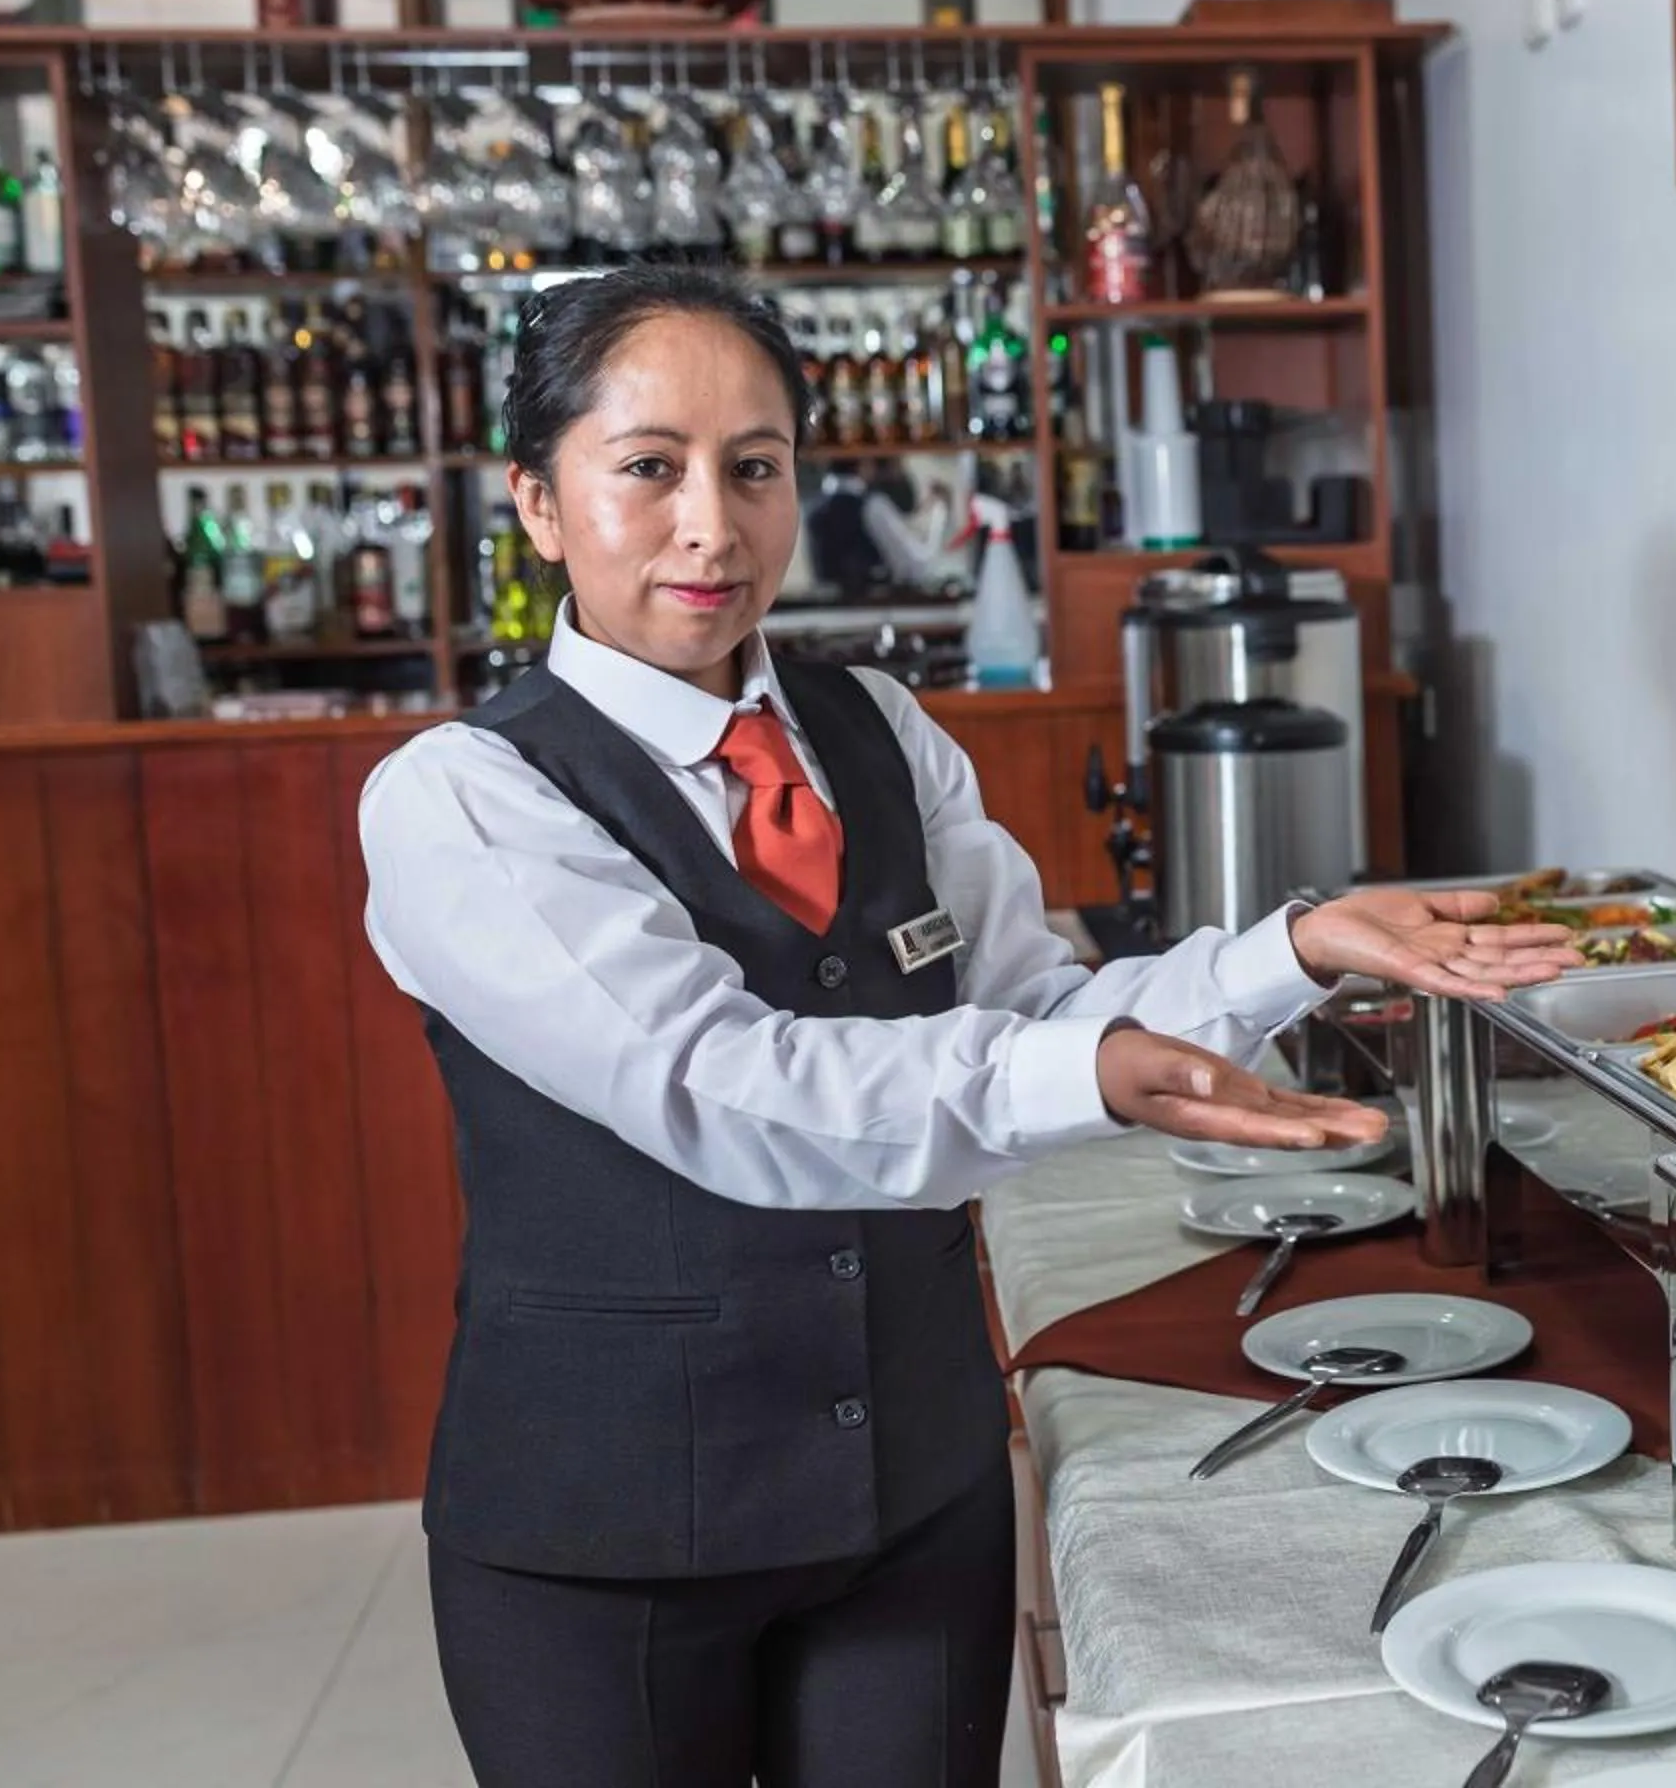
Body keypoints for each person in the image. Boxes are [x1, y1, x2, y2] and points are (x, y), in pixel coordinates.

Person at [357, 264, 1573, 1787]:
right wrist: (1099, 1078)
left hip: (909, 1494)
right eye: (648, 469)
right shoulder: (465, 800)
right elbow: (723, 1084)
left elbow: (1039, 1013)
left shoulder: (880, 731)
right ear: (538, 501)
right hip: (609, 1533)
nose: (710, 528)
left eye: (757, 469)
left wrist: (1294, 949)